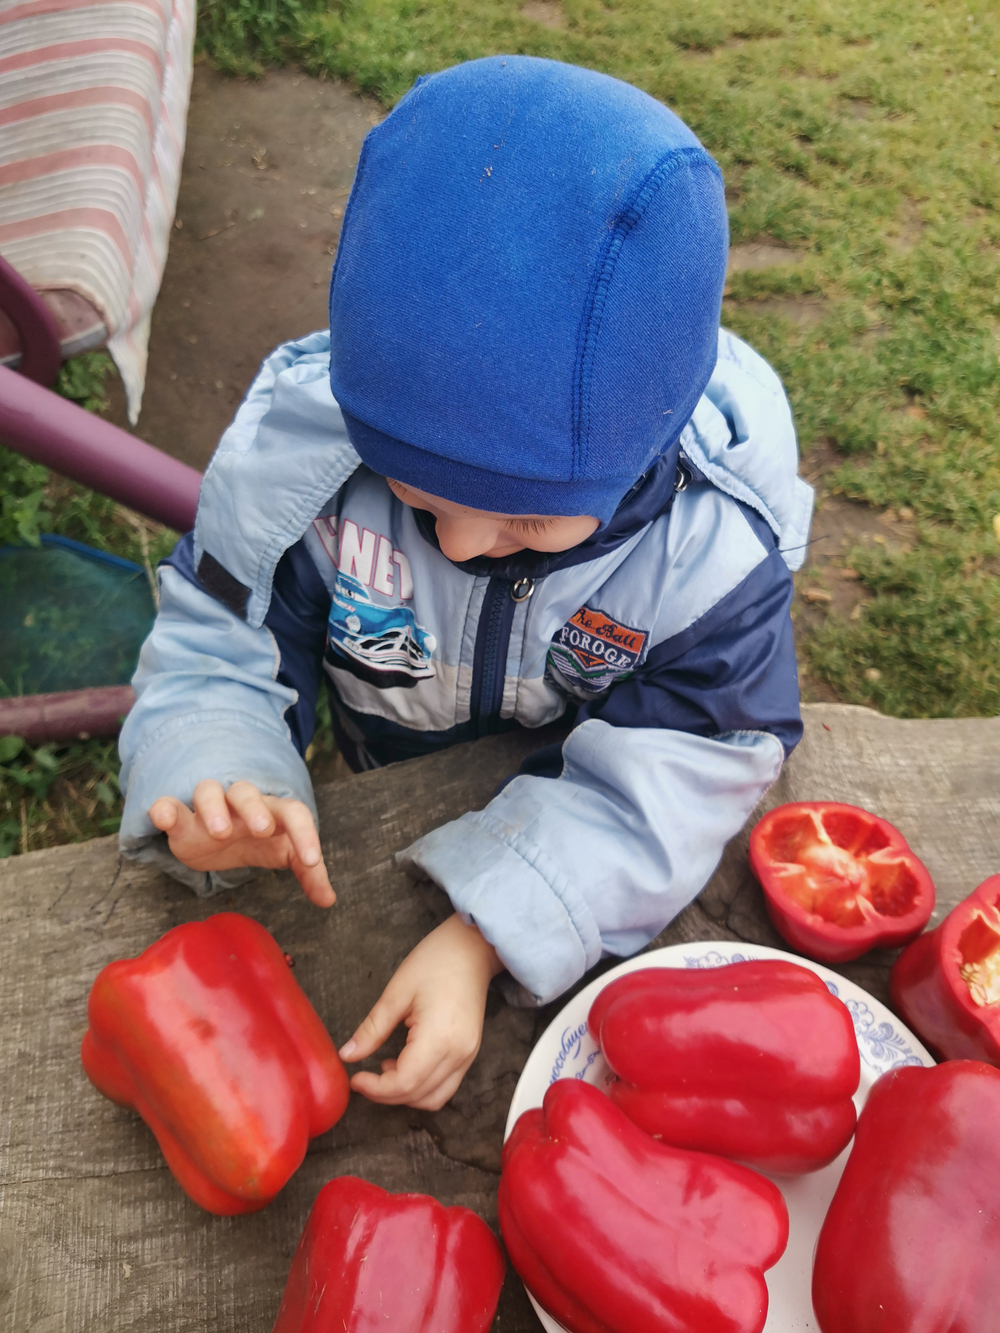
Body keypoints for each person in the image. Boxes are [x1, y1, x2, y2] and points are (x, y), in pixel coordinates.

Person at [119, 56, 812, 1112]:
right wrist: (217, 768)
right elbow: (221, 641)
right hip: (379, 768)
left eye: (528, 517)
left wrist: (493, 927)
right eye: (417, 495)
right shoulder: (302, 478)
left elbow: (692, 753)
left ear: (649, 446)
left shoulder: (707, 551)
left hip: (562, 804)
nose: (469, 544)